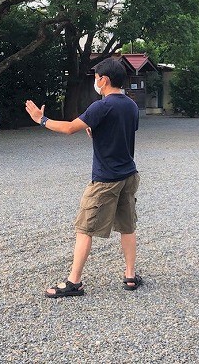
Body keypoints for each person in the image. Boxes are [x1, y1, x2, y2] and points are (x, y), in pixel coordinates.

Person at [24, 58, 141, 298]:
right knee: (128, 226)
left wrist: (41, 119)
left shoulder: (101, 106)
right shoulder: (131, 105)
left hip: (105, 179)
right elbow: (119, 133)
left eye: (97, 77)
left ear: (104, 80)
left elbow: (68, 128)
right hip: (129, 174)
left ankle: (74, 282)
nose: (95, 81)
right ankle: (130, 276)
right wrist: (95, 130)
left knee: (84, 228)